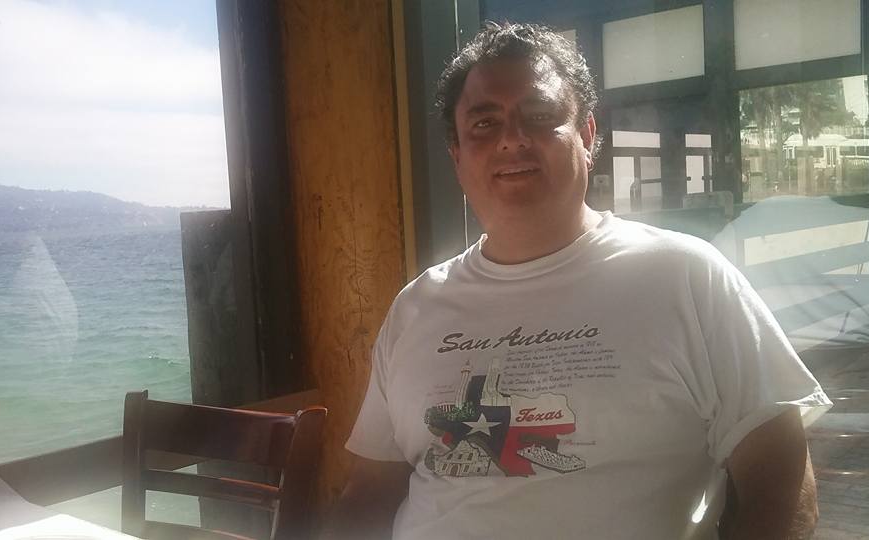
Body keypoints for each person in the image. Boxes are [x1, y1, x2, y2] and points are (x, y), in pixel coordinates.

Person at [325, 22, 832, 540]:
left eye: (540, 116)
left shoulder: (686, 276)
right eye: (484, 123)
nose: (512, 138)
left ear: (588, 136)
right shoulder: (416, 307)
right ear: (457, 156)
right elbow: (368, 493)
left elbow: (782, 481)